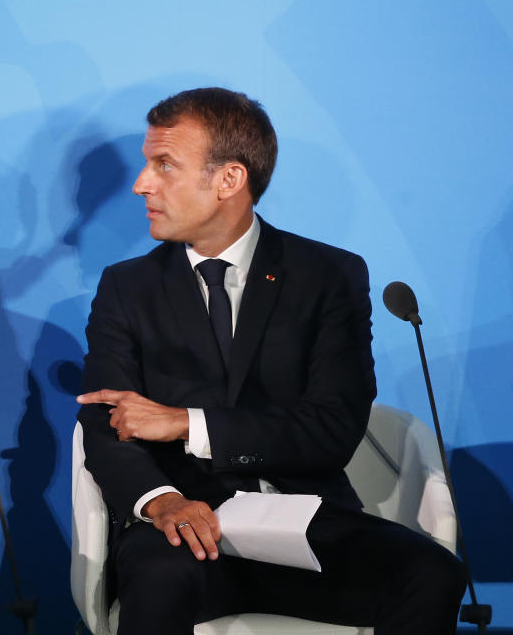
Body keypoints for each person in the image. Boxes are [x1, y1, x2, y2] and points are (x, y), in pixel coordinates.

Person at [76, 87, 465, 634]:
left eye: (164, 165)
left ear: (229, 180)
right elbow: (103, 421)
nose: (142, 182)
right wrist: (160, 501)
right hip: (183, 528)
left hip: (308, 525)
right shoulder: (127, 287)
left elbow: (332, 428)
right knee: (157, 580)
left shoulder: (329, 277)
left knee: (432, 573)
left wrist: (186, 423)